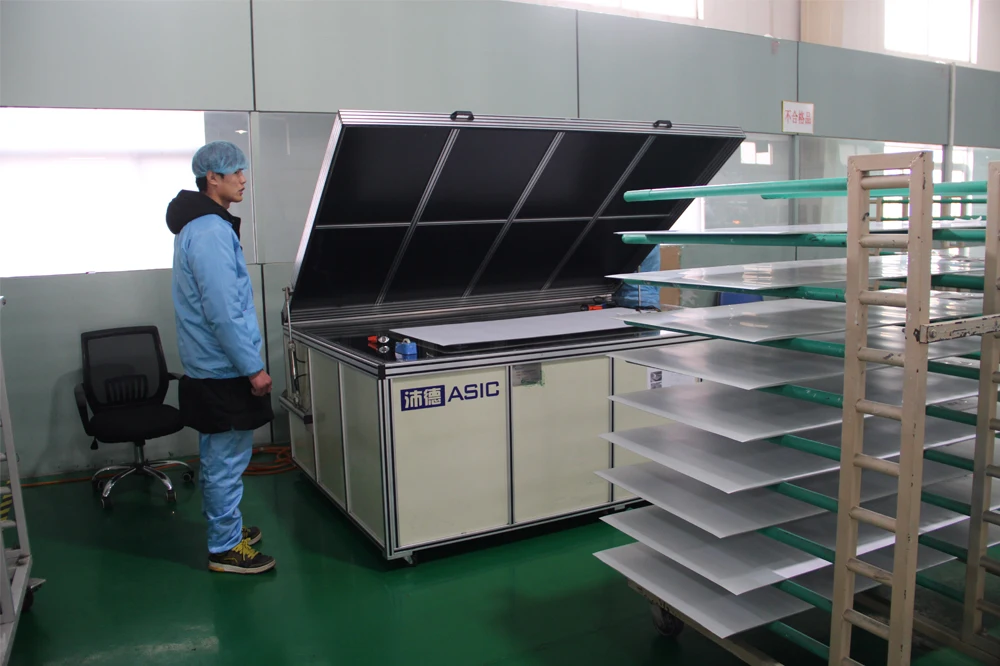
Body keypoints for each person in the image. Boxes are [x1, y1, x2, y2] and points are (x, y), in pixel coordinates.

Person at [166, 141, 276, 575]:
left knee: (222, 454)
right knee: (225, 460)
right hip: (224, 367)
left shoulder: (199, 227)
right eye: (236, 172)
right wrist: (253, 367)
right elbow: (224, 312)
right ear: (213, 178)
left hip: (212, 365)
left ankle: (226, 528)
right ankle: (225, 547)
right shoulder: (210, 231)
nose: (244, 179)